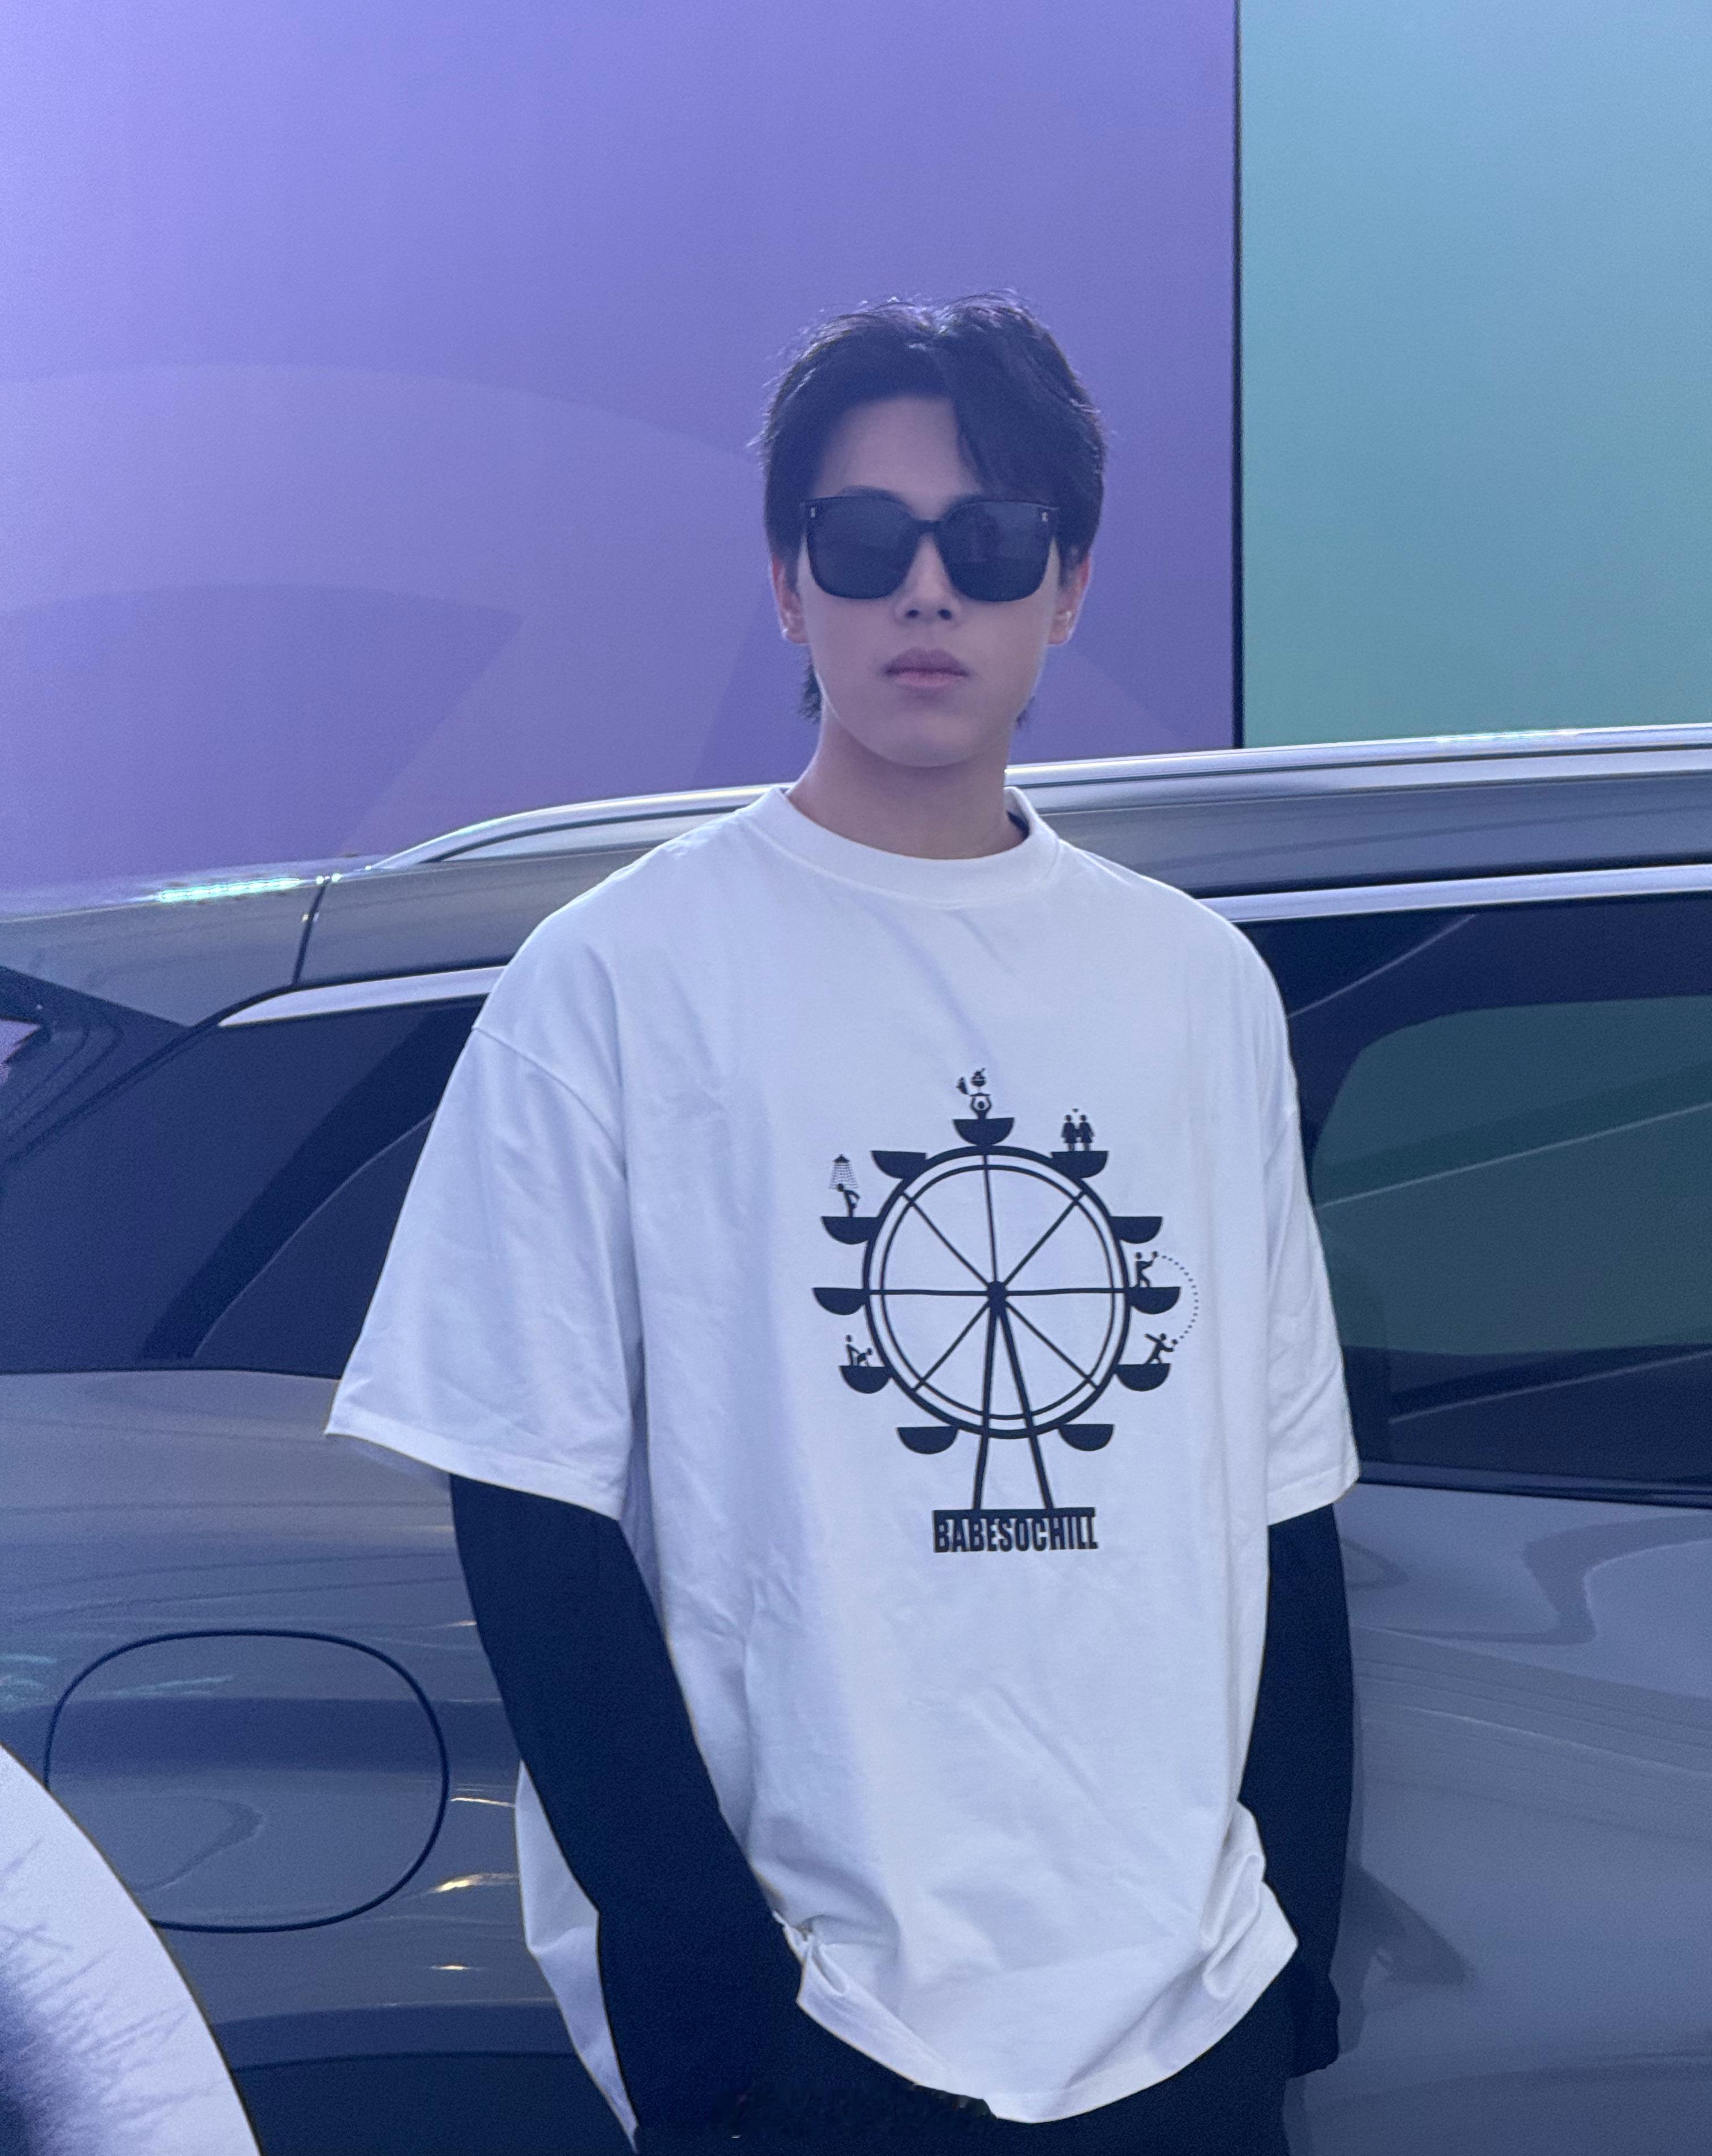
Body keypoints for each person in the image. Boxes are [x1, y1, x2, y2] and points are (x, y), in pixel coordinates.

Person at [326, 296, 1357, 2152]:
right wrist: (708, 1990)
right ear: (789, 584)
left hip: (1184, 2005)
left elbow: (1285, 1499)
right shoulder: (614, 981)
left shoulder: (1198, 992)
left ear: (1069, 584)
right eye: (866, 540)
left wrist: (1291, 1966)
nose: (928, 590)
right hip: (814, 2025)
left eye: (993, 540)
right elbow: (529, 1512)